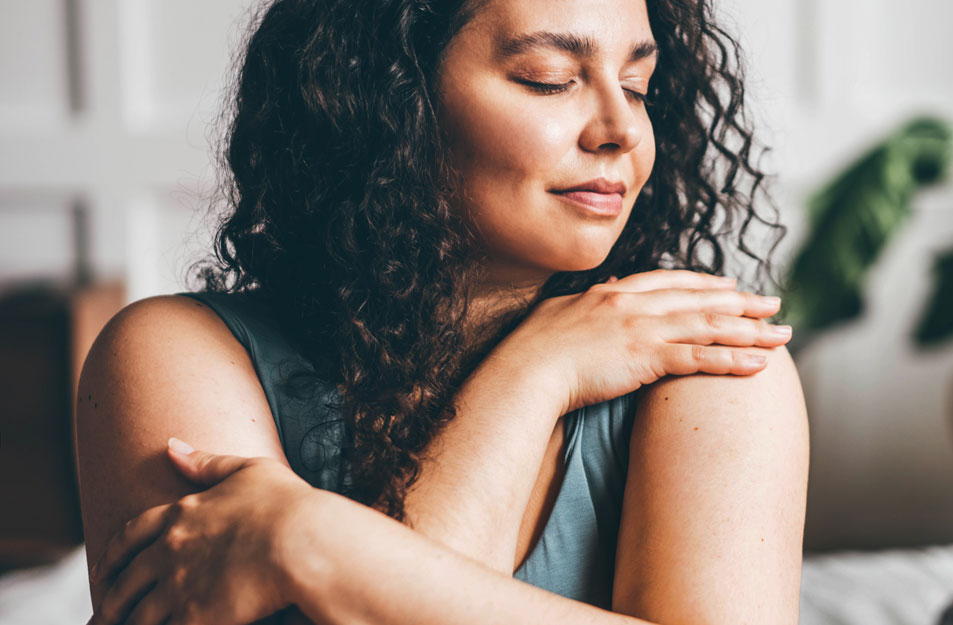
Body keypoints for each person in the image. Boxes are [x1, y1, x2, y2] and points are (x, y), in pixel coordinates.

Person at [76, 0, 809, 622]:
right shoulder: (175, 354)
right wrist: (536, 374)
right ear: (391, 94)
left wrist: (312, 541)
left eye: (637, 84)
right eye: (549, 80)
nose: (620, 129)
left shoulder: (709, 358)